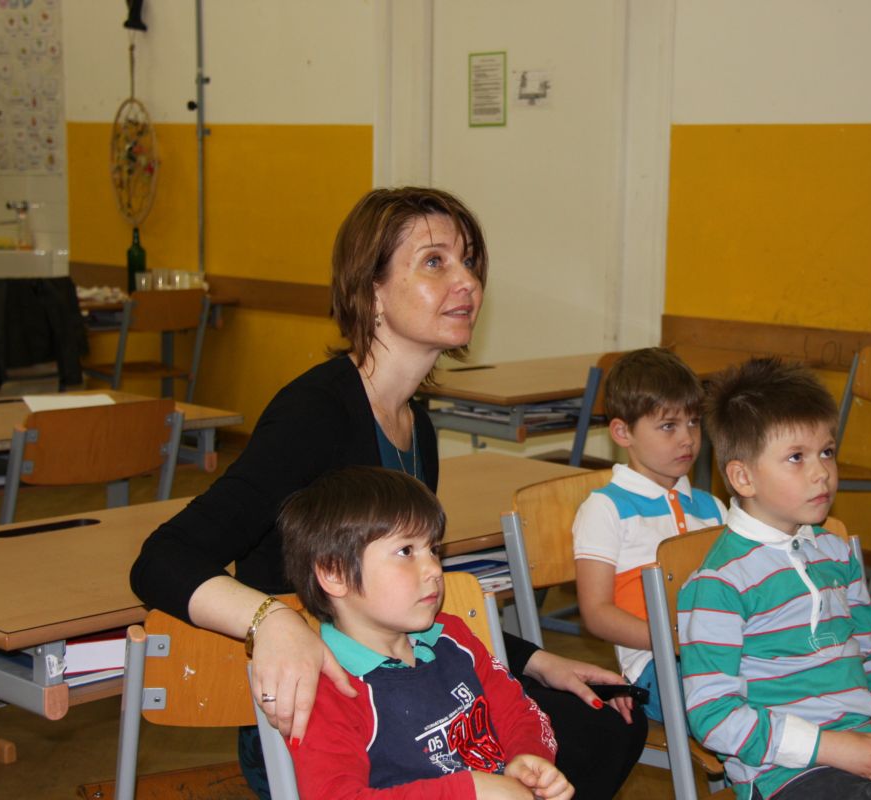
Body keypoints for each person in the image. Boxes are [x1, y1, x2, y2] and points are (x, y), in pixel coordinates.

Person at [130, 187, 646, 800]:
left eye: (469, 262)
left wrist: (535, 660)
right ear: (371, 290)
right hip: (334, 719)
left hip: (410, 681)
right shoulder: (315, 413)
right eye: (435, 262)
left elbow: (403, 599)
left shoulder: (414, 425)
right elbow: (162, 559)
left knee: (607, 717)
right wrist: (271, 620)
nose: (467, 282)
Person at [678, 358, 871, 800]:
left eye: (826, 452)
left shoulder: (836, 551)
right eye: (796, 457)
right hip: (784, 773)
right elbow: (713, 717)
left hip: (866, 742)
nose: (821, 472)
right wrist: (833, 748)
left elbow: (869, 656)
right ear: (743, 477)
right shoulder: (720, 583)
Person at [281, 466, 572, 800]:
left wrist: (529, 757)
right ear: (335, 574)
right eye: (406, 551)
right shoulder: (325, 689)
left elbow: (520, 712)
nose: (434, 569)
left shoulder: (452, 637)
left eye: (433, 549)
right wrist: (468, 792)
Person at [572, 347, 726, 722]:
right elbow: (596, 614)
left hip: (719, 654)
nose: (687, 438)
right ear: (623, 432)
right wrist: (679, 641)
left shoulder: (712, 508)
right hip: (656, 666)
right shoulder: (606, 508)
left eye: (694, 422)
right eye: (668, 426)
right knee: (738, 699)